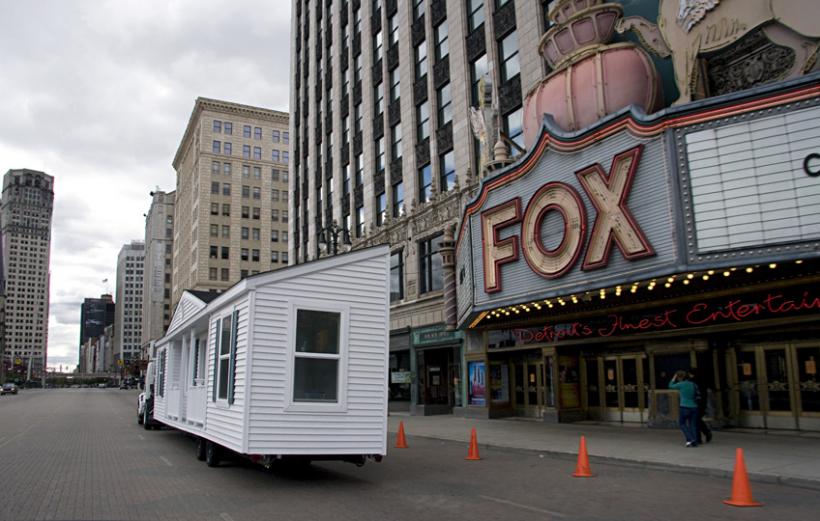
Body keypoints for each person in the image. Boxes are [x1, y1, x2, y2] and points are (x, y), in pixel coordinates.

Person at [669, 370, 699, 447]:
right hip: (694, 406)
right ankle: (694, 441)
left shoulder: (681, 384)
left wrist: (673, 378)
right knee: (693, 425)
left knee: (682, 423)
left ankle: (690, 438)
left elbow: (670, 386)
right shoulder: (693, 384)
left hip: (685, 406)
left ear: (679, 377)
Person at [688, 369, 712, 444]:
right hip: (702, 403)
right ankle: (705, 433)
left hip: (694, 403)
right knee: (697, 420)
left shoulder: (691, 382)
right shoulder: (702, 381)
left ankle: (699, 437)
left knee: (695, 420)